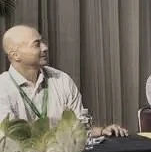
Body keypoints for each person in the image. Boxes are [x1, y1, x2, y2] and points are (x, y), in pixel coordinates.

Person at [0, 24, 128, 137]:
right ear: (15, 55)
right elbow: (11, 137)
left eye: (42, 42)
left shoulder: (61, 79)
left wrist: (101, 131)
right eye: (37, 44)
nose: (45, 48)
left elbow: (78, 127)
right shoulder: (3, 87)